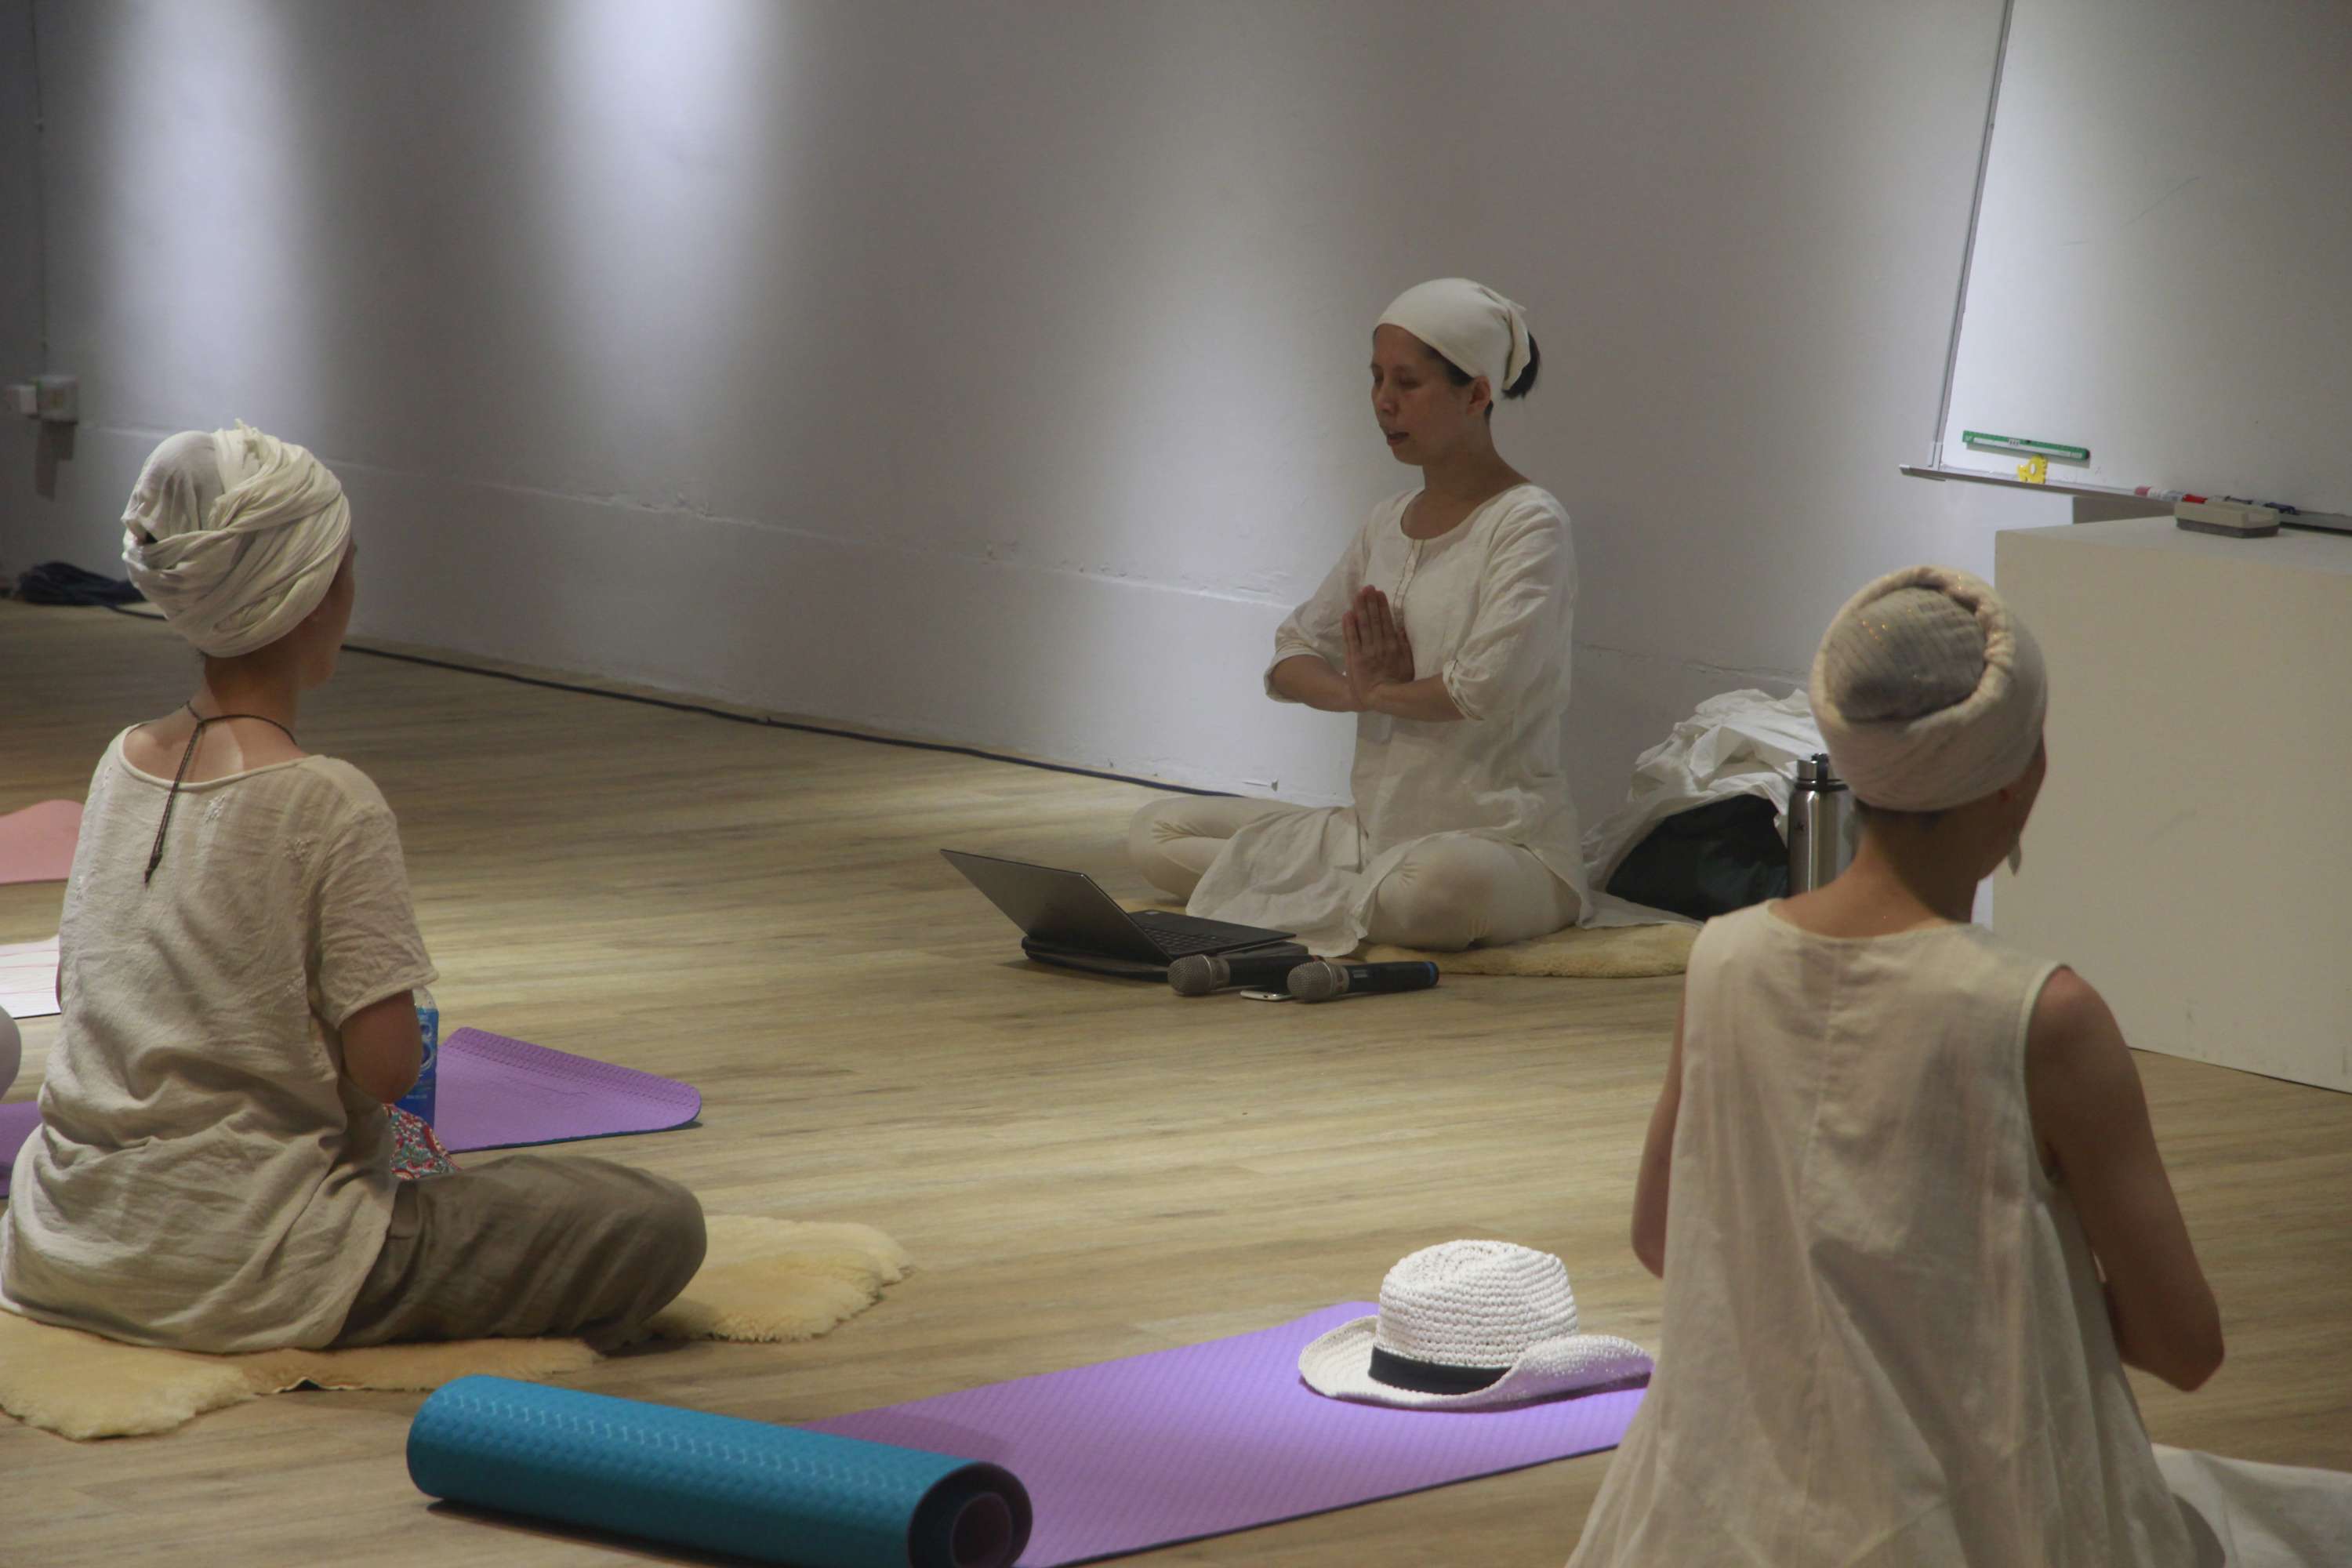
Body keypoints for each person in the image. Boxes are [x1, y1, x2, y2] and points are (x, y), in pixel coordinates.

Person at [1567, 567, 2349, 1566]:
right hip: (1978, 1518)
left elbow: (1660, 1237)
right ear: (2024, 768)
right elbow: (2184, 1343)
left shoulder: (1722, 958)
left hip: (1717, 1516)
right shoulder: (2045, 1016)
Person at [0, 423, 704, 1356]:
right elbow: (387, 1069)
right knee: (652, 1217)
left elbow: (75, 988)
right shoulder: (329, 799)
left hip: (59, 1243)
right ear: (313, 596)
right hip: (249, 1258)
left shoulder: (119, 759)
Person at [1130, 278, 1591, 954]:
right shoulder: (1387, 522)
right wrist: (1357, 692)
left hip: (1500, 842)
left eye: (1407, 382)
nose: (1383, 401)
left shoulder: (1529, 522)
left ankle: (1311, 893)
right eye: (1376, 378)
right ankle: (1337, 891)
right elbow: (1291, 653)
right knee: (1156, 834)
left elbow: (1480, 689)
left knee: (1425, 891)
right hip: (1372, 834)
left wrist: (1381, 694)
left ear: (1475, 395)